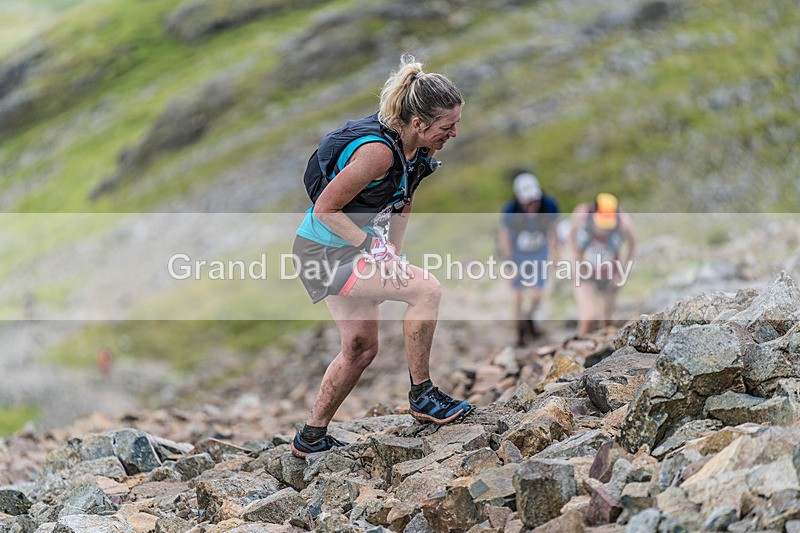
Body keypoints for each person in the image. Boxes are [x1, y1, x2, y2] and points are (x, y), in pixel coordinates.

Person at [290, 55, 471, 457]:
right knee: (426, 290)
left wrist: (395, 256)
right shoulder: (378, 153)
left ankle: (311, 438)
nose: (455, 133)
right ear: (419, 123)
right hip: (323, 250)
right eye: (448, 126)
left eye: (457, 123)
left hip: (351, 246)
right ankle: (423, 397)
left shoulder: (416, 154)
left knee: (359, 348)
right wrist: (375, 250)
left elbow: (402, 206)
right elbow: (325, 209)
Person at [497, 171, 560, 347]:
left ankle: (529, 318)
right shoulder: (511, 210)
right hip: (517, 254)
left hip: (539, 253)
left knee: (538, 294)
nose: (532, 205)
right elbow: (504, 237)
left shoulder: (549, 205)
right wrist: (510, 262)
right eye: (528, 201)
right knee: (517, 295)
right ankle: (520, 332)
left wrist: (555, 256)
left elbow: (554, 231)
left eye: (535, 200)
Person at [567, 193, 636, 336]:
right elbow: (570, 235)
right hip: (584, 271)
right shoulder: (582, 215)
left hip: (610, 273)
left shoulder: (623, 222)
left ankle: (606, 354)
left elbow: (633, 245)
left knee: (607, 321)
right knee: (588, 318)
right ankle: (577, 352)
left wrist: (622, 274)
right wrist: (574, 260)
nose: (604, 228)